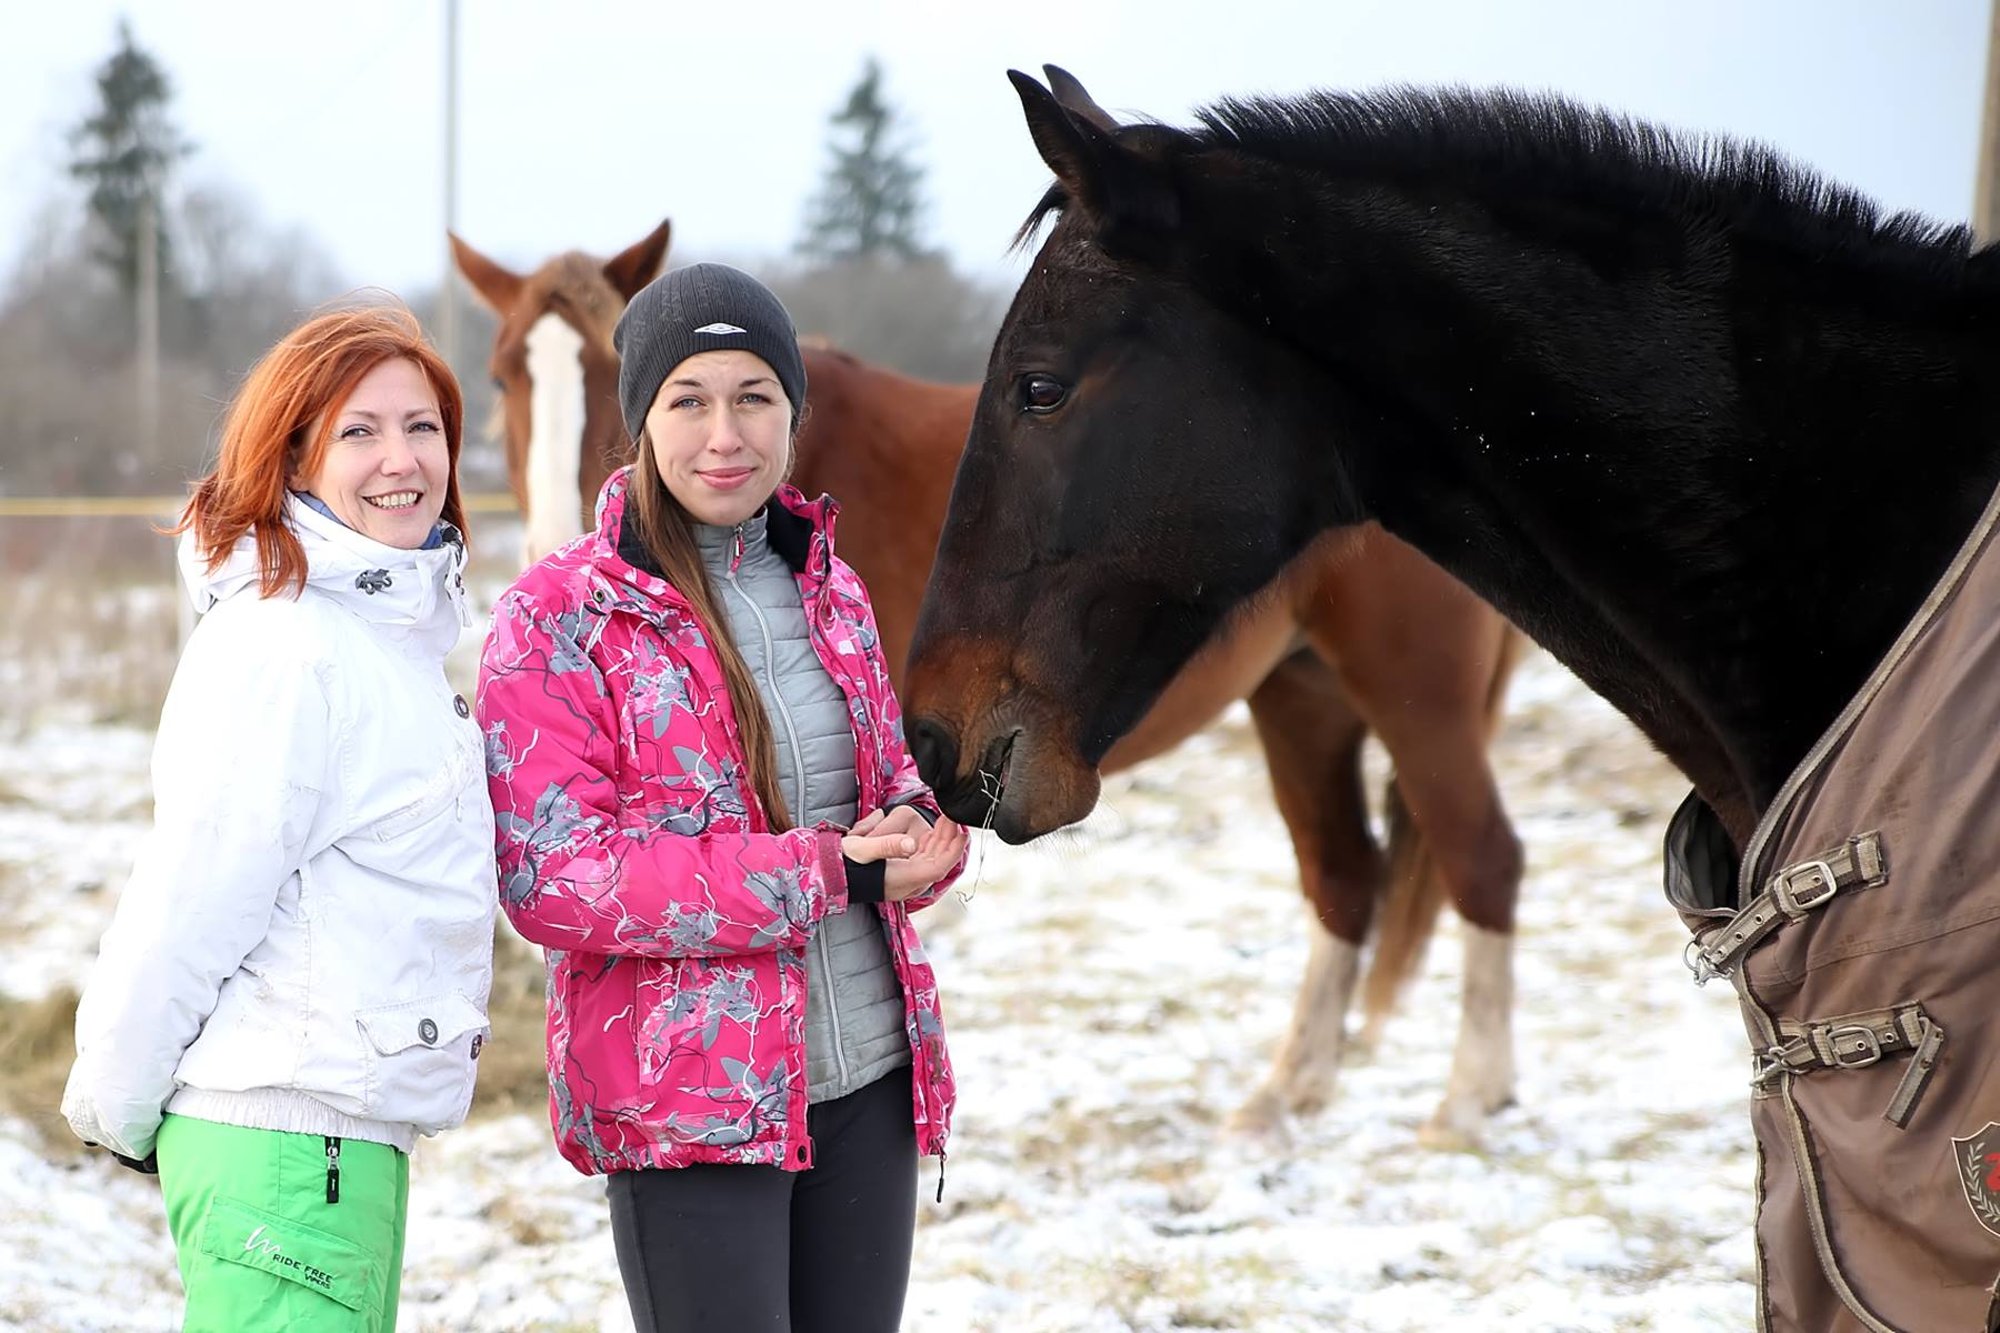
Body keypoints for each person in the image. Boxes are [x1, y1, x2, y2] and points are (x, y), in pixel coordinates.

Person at [477, 263, 967, 1333]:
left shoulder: (827, 583)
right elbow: (556, 878)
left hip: (869, 1077)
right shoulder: (558, 616)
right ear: (641, 418)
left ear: (793, 412)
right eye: (688, 399)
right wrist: (826, 869)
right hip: (690, 1109)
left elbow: (889, 785)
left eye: (754, 396)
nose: (724, 433)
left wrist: (924, 831)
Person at [61, 303, 498, 1332]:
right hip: (286, 1141)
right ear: (294, 455)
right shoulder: (288, 647)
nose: (402, 458)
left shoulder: (376, 642)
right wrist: (114, 1100)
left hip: (339, 1141)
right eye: (360, 430)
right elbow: (194, 890)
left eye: (423, 426)